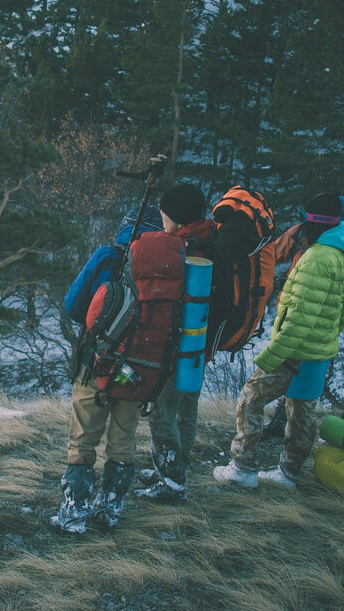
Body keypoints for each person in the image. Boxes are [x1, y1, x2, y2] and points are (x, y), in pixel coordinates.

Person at [53, 184, 206, 532]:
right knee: (123, 440)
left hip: (99, 364)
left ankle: (74, 514)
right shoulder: (176, 264)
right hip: (139, 373)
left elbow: (74, 306)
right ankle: (110, 510)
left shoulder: (110, 255)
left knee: (83, 438)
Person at [214, 192, 344, 488]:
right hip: (320, 350)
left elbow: (298, 319)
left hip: (294, 350)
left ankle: (242, 467)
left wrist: (272, 355)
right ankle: (290, 471)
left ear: (312, 221)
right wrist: (324, 339)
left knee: (250, 398)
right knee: (301, 409)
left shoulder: (316, 259)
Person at [135, 187, 216, 503]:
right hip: (201, 344)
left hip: (178, 347)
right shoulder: (211, 237)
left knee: (163, 411)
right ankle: (174, 468)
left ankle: (171, 482)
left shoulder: (182, 248)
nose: (162, 220)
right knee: (186, 408)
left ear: (177, 218)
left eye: (164, 215)